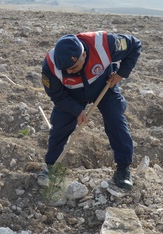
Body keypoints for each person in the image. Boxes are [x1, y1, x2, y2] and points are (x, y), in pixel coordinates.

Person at [40, 31, 141, 189]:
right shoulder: (50, 66)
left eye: (73, 67)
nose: (70, 72)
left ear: (84, 55)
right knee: (59, 127)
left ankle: (123, 169)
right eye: (66, 70)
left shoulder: (103, 44)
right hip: (71, 94)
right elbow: (57, 96)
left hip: (104, 85)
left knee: (115, 120)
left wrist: (121, 74)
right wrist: (77, 110)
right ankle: (52, 166)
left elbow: (135, 45)